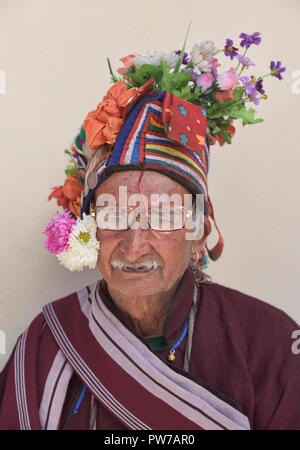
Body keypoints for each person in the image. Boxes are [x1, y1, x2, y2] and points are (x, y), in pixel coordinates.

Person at [1, 34, 299, 430]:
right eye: (115, 215)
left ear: (198, 232)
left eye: (162, 218)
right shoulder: (43, 345)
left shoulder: (270, 344)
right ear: (91, 230)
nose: (136, 245)